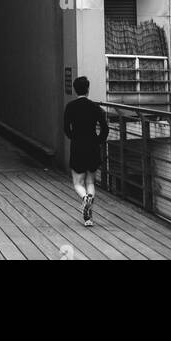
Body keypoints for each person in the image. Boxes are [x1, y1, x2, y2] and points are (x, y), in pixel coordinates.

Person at [63, 75, 109, 227]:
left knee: (77, 182)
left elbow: (66, 129)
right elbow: (105, 128)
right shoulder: (95, 107)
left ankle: (84, 199)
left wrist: (73, 137)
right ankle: (88, 218)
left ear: (76, 90)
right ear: (88, 89)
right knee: (90, 181)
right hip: (92, 147)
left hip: (77, 146)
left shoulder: (70, 107)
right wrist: (98, 140)